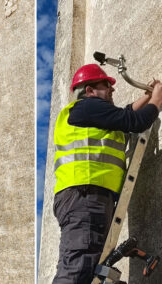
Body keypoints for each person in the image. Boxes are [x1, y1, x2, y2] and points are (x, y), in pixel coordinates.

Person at [52, 64, 162, 284]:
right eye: (106, 85)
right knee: (78, 270)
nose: (112, 90)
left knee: (89, 269)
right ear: (90, 90)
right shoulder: (87, 107)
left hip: (85, 196)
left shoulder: (91, 114)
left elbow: (126, 114)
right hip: (85, 195)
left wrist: (147, 97)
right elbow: (134, 121)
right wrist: (157, 99)